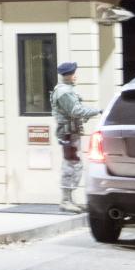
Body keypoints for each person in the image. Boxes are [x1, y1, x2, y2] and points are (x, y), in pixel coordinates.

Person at [51, 62, 101, 213]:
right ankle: (65, 201)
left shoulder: (65, 90)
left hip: (71, 131)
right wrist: (97, 111)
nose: (76, 76)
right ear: (69, 75)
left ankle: (69, 200)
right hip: (68, 133)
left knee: (73, 164)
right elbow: (76, 110)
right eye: (74, 74)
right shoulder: (65, 92)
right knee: (71, 165)